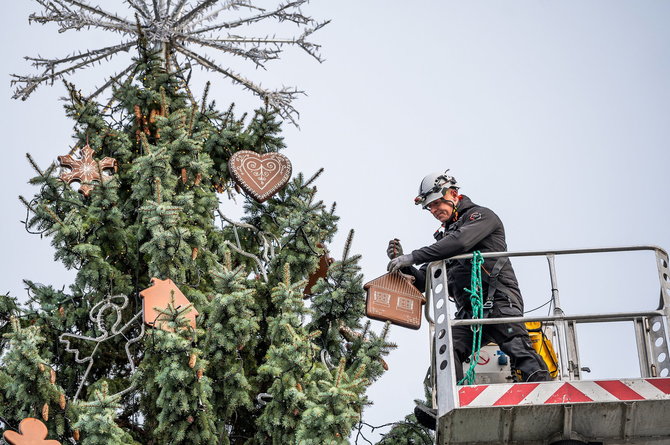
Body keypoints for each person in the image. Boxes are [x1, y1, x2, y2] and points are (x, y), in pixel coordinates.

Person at [387, 171, 550, 427]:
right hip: (469, 313)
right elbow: (432, 283)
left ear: (453, 194)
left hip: (496, 301)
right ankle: (449, 407)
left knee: (517, 346)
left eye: (437, 203)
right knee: (447, 349)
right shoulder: (446, 238)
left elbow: (460, 242)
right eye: (430, 207)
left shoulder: (480, 217)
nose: (434, 210)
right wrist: (407, 267)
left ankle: (547, 394)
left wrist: (414, 256)